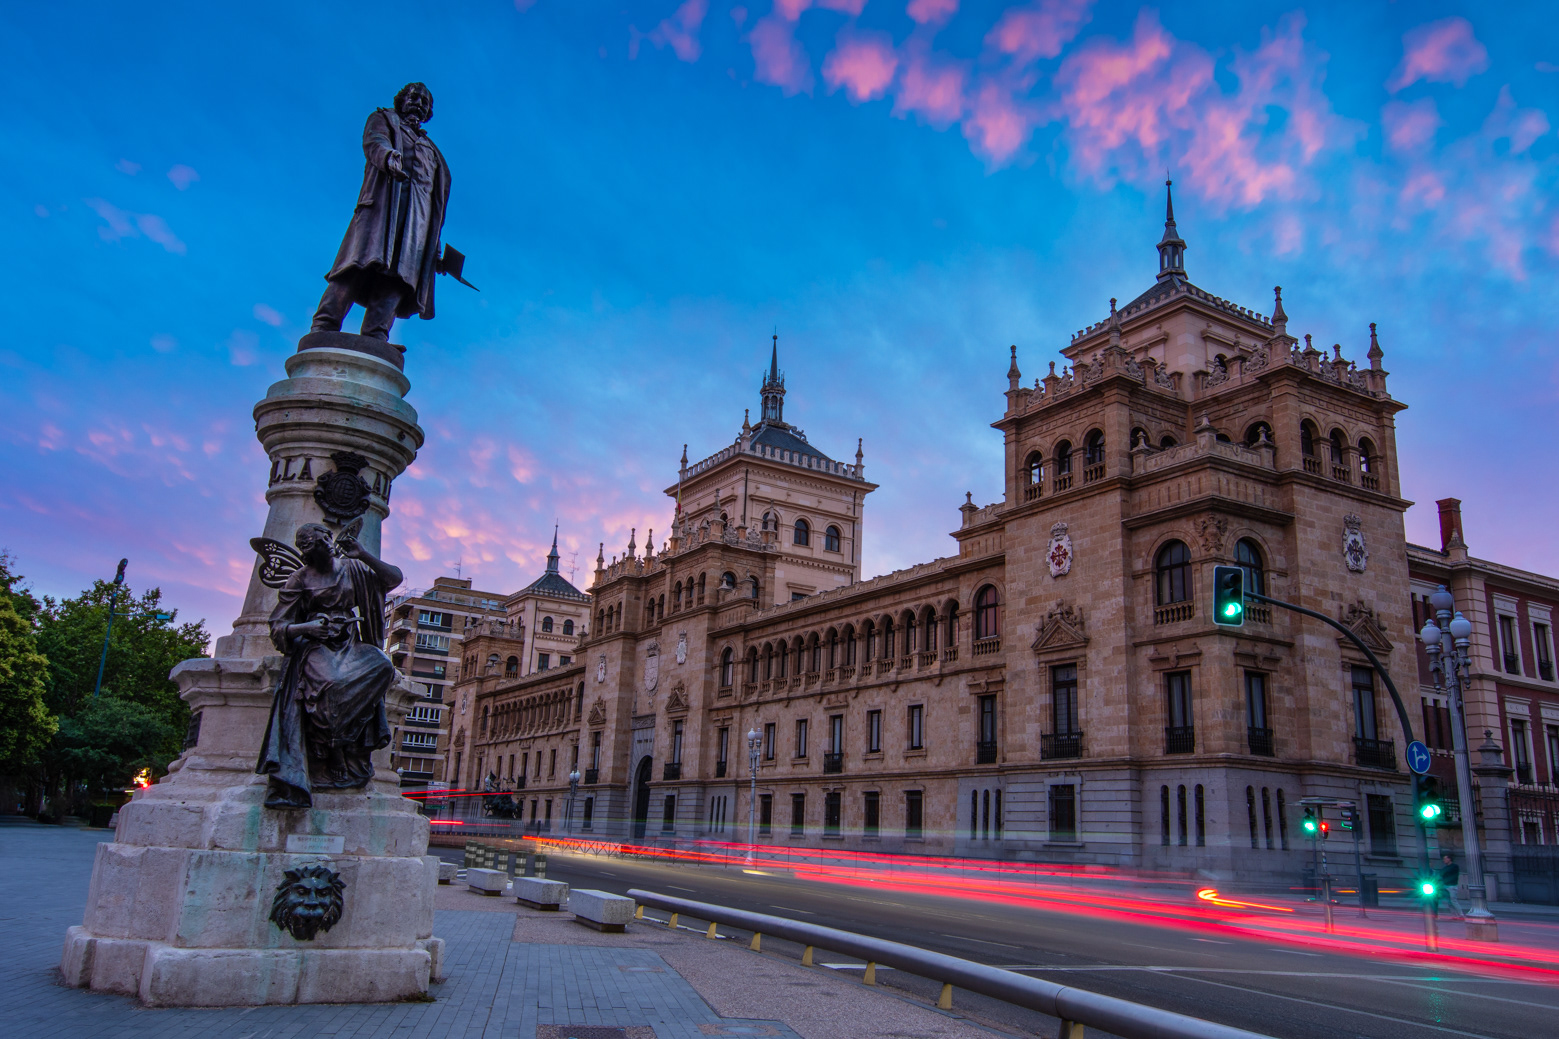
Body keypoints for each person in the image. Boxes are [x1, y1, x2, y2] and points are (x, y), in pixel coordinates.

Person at [311, 82, 452, 341]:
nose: (418, 104)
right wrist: (389, 157)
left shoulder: (433, 152)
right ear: (401, 100)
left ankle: (376, 338)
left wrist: (435, 247)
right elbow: (374, 142)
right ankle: (324, 326)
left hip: (416, 225)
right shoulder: (384, 119)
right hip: (381, 209)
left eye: (425, 102)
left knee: (398, 279)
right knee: (356, 265)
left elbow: (435, 203)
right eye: (414, 97)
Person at [1437, 853, 1465, 918]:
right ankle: (1454, 915)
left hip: (1452, 886)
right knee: (1449, 902)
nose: (1444, 860)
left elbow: (1444, 873)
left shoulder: (1454, 866)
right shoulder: (1445, 868)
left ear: (1449, 859)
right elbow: (1441, 874)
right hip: (1446, 886)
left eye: (1445, 859)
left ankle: (1461, 914)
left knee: (1453, 900)